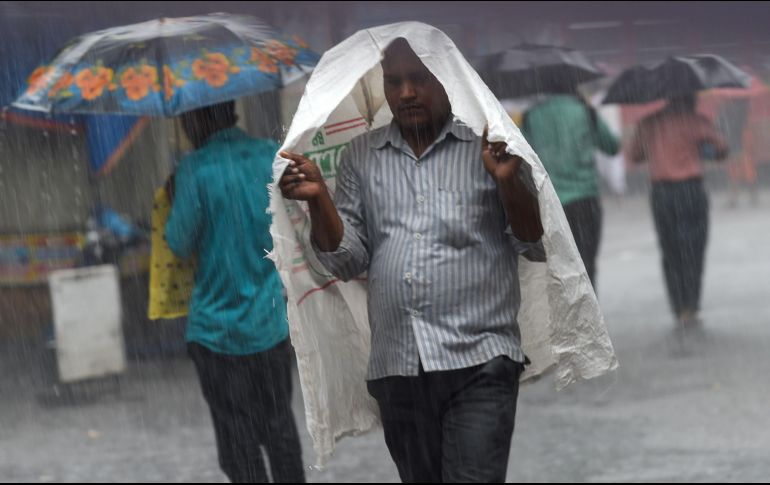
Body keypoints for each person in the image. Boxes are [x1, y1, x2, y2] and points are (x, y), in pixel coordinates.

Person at [279, 38, 544, 483]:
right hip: (399, 369)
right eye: (394, 81)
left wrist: (509, 183)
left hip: (480, 362)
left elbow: (532, 241)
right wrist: (319, 199)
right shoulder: (361, 156)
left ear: (447, 80)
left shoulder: (491, 148)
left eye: (418, 79)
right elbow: (345, 261)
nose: (405, 93)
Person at [165, 101, 305, 483]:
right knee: (280, 431)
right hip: (270, 324)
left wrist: (177, 192)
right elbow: (295, 226)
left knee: (238, 442)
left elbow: (178, 242)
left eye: (185, 118)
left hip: (216, 334)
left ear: (196, 118)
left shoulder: (194, 168)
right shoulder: (268, 156)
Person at [629, 94, 728, 328]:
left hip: (662, 193)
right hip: (691, 190)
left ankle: (678, 306)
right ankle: (691, 306)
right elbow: (722, 148)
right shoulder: (696, 120)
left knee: (670, 249)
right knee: (694, 248)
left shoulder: (649, 122)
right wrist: (702, 148)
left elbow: (635, 155)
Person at [521, 84, 619, 290]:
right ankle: (591, 317)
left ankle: (569, 318)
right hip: (586, 202)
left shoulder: (531, 116)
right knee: (587, 264)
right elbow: (612, 146)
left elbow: (521, 158)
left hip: (551, 205)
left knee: (560, 269)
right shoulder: (585, 111)